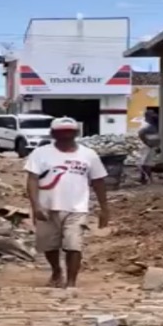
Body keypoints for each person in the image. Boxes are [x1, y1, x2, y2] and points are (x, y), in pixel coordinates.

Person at [24, 117, 109, 288]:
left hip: (76, 208)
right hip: (47, 207)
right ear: (53, 134)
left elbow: (98, 181)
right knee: (49, 245)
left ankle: (71, 282)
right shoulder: (40, 153)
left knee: (73, 245)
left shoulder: (88, 155)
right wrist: (36, 206)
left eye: (70, 132)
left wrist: (104, 209)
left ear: (76, 133)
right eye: (62, 133)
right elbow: (32, 179)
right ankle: (56, 270)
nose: (66, 136)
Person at [136, 109, 159, 184]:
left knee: (145, 163)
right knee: (145, 163)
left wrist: (147, 143)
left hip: (149, 146)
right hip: (150, 145)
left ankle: (146, 178)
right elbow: (141, 133)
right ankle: (145, 178)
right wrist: (148, 143)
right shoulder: (150, 124)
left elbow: (141, 133)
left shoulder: (151, 125)